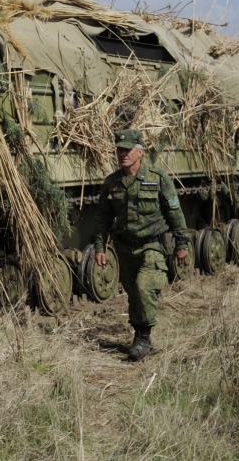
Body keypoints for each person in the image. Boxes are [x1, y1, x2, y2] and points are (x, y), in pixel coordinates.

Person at [93, 129, 190, 361]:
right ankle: (140, 338)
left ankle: (143, 338)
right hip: (126, 248)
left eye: (127, 150)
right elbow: (103, 218)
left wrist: (181, 242)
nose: (122, 154)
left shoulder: (158, 178)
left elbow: (174, 211)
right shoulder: (112, 183)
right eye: (119, 150)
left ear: (140, 152)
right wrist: (99, 247)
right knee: (134, 292)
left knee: (143, 285)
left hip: (152, 245)